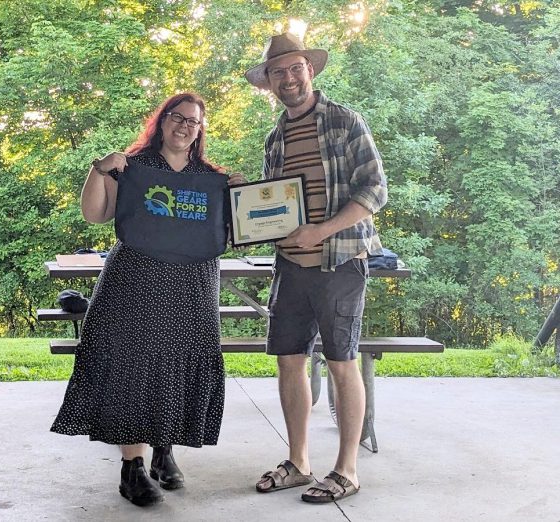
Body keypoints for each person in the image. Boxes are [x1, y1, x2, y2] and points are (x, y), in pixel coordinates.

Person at [51, 92, 245, 507]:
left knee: (178, 363)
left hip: (192, 284)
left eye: (193, 121)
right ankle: (132, 467)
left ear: (200, 130)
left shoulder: (214, 178)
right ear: (162, 121)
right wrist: (100, 169)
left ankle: (164, 450)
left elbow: (237, 232)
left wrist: (244, 199)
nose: (184, 126)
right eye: (177, 117)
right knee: (130, 366)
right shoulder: (132, 168)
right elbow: (95, 214)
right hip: (134, 279)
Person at [244, 33, 388, 503]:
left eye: (294, 68)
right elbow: (274, 207)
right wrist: (248, 205)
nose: (288, 79)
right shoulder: (275, 138)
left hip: (340, 262)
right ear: (269, 83)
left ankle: (347, 470)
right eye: (277, 73)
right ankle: (299, 462)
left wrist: (319, 232)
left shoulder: (346, 122)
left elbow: (374, 193)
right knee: (290, 362)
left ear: (310, 69)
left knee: (343, 363)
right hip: (290, 267)